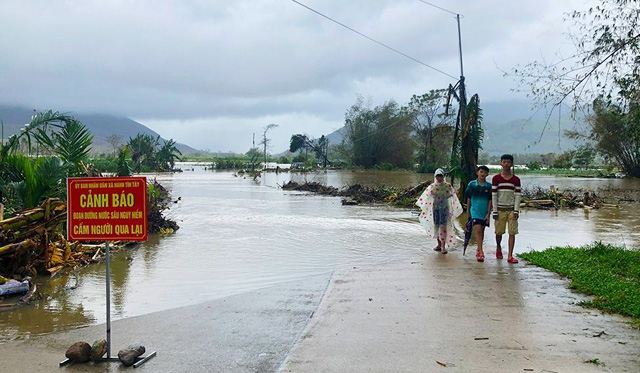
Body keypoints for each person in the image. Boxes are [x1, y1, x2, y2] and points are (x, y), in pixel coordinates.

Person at [416, 168, 463, 254]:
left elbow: (452, 196)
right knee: (436, 226)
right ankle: (438, 244)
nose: (439, 178)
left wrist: (445, 196)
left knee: (443, 227)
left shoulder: (447, 186)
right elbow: (426, 197)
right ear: (435, 176)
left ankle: (443, 246)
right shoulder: (432, 186)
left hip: (445, 209)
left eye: (440, 176)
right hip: (435, 209)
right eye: (437, 176)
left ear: (443, 176)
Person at [491, 154, 521, 263]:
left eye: (508, 162)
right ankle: (498, 247)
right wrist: (494, 211)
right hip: (499, 209)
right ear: (501, 163)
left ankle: (510, 255)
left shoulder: (516, 180)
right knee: (499, 232)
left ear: (512, 164)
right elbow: (494, 195)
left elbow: (517, 195)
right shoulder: (496, 178)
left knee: (512, 232)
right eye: (504, 162)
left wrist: (516, 210)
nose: (506, 164)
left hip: (512, 210)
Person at [465, 165, 492, 262]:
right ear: (477, 173)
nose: (483, 174)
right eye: (481, 172)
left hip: (484, 212)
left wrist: (488, 214)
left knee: (482, 231)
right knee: (478, 230)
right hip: (474, 211)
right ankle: (481, 252)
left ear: (487, 174)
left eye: (485, 172)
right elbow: (468, 198)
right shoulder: (472, 184)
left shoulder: (489, 186)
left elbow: (490, 200)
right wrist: (468, 211)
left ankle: (478, 249)